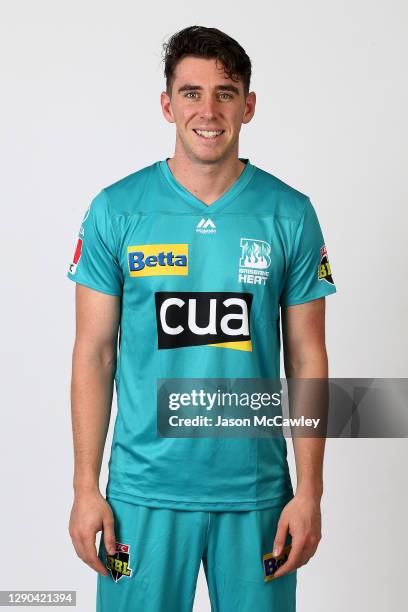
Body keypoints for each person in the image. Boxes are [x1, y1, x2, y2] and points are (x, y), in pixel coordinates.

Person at [67, 25, 337, 612]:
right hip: (140, 497)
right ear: (167, 104)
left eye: (225, 92)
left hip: (258, 497)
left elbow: (308, 358)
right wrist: (85, 487)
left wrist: (310, 489)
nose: (207, 110)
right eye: (191, 93)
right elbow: (94, 352)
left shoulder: (290, 214)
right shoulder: (116, 209)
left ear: (249, 104)